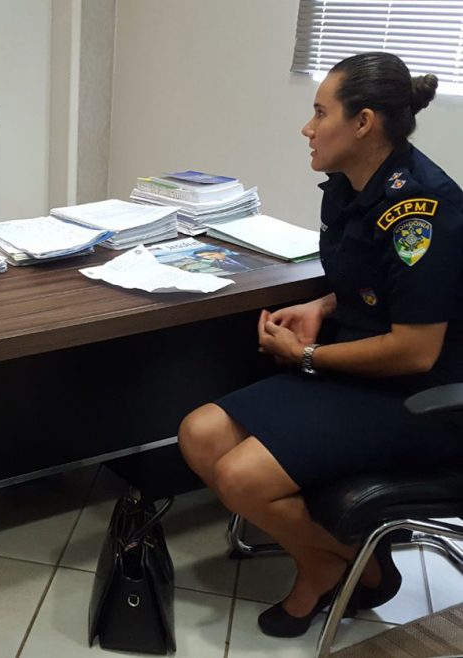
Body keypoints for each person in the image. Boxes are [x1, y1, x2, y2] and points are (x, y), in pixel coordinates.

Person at [178, 51, 463, 639]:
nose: (306, 128)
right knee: (199, 433)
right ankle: (339, 560)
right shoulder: (351, 186)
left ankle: (324, 567)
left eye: (320, 113)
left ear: (363, 123)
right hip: (358, 373)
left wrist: (305, 355)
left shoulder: (422, 211)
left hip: (419, 398)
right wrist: (323, 306)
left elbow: (415, 350)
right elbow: (375, 282)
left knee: (243, 477)